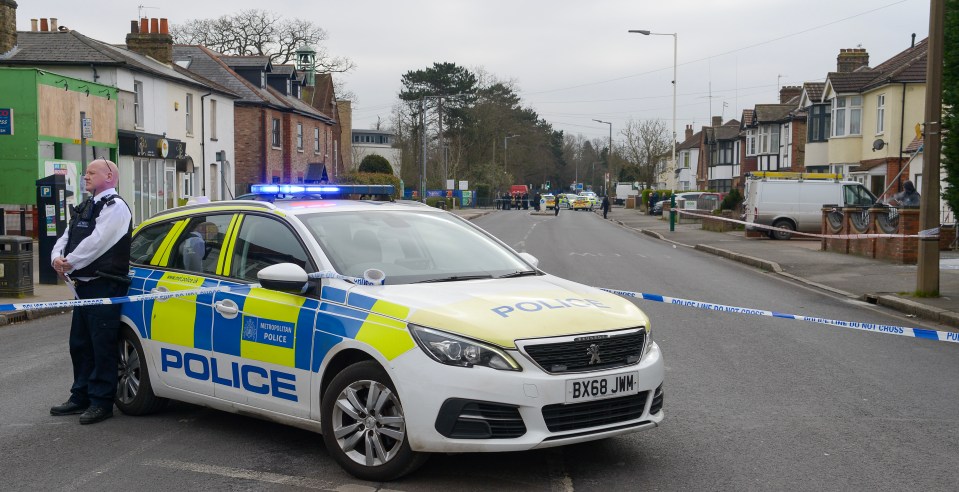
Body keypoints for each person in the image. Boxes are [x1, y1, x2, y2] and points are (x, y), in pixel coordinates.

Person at [50, 159, 132, 425]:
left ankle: (101, 402)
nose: (85, 176)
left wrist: (69, 262)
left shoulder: (115, 207)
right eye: (85, 173)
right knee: (80, 344)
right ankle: (81, 395)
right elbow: (66, 236)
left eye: (91, 172)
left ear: (109, 176)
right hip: (83, 286)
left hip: (104, 284)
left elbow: (97, 242)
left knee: (102, 345)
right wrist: (56, 259)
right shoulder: (86, 206)